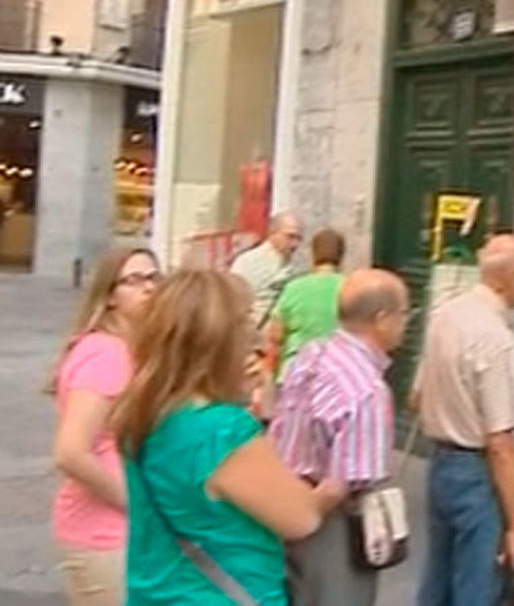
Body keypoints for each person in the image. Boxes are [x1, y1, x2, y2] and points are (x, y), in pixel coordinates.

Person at [113, 269, 342, 604]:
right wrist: (332, 489)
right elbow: (300, 518)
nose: (257, 345)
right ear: (219, 346)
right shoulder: (223, 431)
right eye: (247, 334)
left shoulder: (144, 414)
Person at [270, 268, 411, 605]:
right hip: (332, 524)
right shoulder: (367, 391)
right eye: (404, 313)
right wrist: (295, 524)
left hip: (288, 493)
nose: (406, 323)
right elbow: (340, 485)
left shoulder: (311, 355)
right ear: (382, 319)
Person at [412, 234, 514, 605]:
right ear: (511, 276)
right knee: (477, 581)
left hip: (440, 460)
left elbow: (416, 395)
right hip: (475, 467)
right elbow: (502, 443)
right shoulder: (495, 338)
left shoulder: (445, 316)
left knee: (437, 574)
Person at [49, 247, 158, 606]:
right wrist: (135, 503)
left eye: (154, 277)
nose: (148, 288)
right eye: (134, 280)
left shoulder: (134, 350)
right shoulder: (107, 354)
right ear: (110, 296)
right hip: (103, 534)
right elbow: (71, 452)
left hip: (123, 533)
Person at [265, 228, 347, 382]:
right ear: (341, 255)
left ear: (313, 254)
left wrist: (269, 378)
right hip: (335, 373)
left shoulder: (294, 288)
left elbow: (275, 337)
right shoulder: (350, 288)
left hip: (295, 370)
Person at [230, 211, 302, 328]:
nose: (295, 244)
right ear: (272, 233)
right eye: (290, 237)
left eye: (299, 238)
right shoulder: (248, 262)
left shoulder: (293, 267)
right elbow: (233, 302)